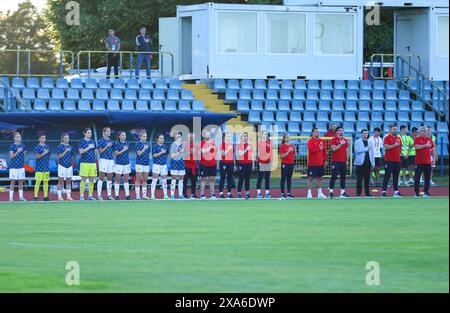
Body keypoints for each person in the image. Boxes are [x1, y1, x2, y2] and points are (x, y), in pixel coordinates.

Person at [414, 126, 436, 197]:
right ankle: (417, 193)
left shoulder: (429, 139)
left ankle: (426, 192)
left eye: (426, 131)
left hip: (427, 162)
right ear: (420, 132)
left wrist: (434, 158)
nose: (425, 132)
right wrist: (425, 145)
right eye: (423, 131)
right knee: (417, 178)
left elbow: (433, 148)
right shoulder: (417, 139)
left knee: (427, 178)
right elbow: (417, 147)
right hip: (419, 162)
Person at [328, 126, 350, 198]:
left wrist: (347, 159)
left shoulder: (345, 140)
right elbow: (333, 149)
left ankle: (342, 192)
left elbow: (347, 150)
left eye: (342, 130)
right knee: (333, 176)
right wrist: (340, 144)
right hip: (336, 161)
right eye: (340, 130)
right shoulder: (333, 139)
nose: (341, 132)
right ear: (337, 132)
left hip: (343, 161)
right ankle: (331, 191)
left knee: (343, 177)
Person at [382, 124, 403, 198]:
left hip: (397, 160)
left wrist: (400, 153)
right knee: (387, 176)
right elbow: (386, 147)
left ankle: (396, 192)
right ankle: (384, 191)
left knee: (396, 176)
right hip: (389, 160)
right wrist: (395, 145)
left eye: (396, 129)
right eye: (394, 129)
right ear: (390, 130)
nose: (395, 131)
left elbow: (400, 147)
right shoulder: (387, 138)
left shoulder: (398, 138)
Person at [307, 128, 328, 199]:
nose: (318, 133)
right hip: (312, 163)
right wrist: (319, 148)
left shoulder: (322, 141)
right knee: (311, 179)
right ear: (312, 133)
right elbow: (311, 150)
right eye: (316, 132)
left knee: (320, 178)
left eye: (318, 132)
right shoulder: (310, 141)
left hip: (320, 163)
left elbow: (324, 151)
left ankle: (320, 193)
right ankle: (309, 193)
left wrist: (325, 160)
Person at [78, 128, 97, 201]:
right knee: (83, 179)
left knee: (92, 180)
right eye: (88, 133)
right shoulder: (81, 142)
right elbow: (81, 152)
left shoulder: (93, 141)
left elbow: (95, 152)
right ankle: (81, 196)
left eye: (90, 132)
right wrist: (89, 147)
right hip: (84, 163)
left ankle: (90, 196)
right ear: (84, 133)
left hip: (92, 163)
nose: (90, 134)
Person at [354, 129, 374, 197]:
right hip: (360, 163)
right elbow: (357, 150)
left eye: (367, 133)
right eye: (364, 133)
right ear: (361, 134)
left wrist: (373, 163)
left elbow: (372, 153)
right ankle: (358, 193)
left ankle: (367, 193)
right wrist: (365, 149)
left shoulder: (370, 142)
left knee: (367, 179)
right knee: (359, 179)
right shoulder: (357, 141)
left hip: (368, 163)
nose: (366, 135)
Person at [97, 127, 115, 201]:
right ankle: (99, 195)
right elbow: (100, 151)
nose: (109, 132)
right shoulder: (100, 140)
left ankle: (109, 195)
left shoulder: (111, 141)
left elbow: (114, 151)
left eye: (109, 131)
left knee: (110, 178)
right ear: (103, 132)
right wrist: (107, 146)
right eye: (107, 131)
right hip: (103, 160)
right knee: (101, 178)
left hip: (110, 160)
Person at [9, 132, 27, 202]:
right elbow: (11, 156)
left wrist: (22, 152)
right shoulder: (12, 146)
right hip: (14, 167)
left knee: (21, 182)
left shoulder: (23, 146)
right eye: (17, 137)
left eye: (19, 137)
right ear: (14, 138)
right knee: (12, 182)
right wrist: (18, 151)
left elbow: (24, 154)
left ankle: (21, 197)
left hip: (21, 167)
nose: (18, 138)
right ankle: (10, 198)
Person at [199, 130, 217, 200]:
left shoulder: (213, 143)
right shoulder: (202, 143)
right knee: (203, 179)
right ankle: (202, 195)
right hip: (204, 164)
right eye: (207, 135)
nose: (208, 136)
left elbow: (215, 152)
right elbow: (203, 151)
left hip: (212, 164)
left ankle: (212, 194)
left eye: (209, 135)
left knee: (212, 179)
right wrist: (210, 148)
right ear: (204, 136)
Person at [114, 131, 131, 200]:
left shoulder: (127, 143)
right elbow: (116, 154)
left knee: (126, 179)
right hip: (119, 163)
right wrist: (123, 150)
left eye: (125, 135)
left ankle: (127, 195)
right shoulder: (116, 144)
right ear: (119, 136)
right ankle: (117, 195)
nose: (124, 136)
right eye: (123, 135)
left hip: (126, 163)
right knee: (117, 179)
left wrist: (124, 150)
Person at [57, 133, 74, 201]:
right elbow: (59, 156)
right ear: (63, 139)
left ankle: (68, 196)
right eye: (66, 138)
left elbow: (71, 156)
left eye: (68, 138)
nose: (67, 139)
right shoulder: (60, 147)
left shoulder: (71, 147)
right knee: (60, 181)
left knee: (69, 181)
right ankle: (59, 196)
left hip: (69, 166)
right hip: (62, 165)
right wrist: (65, 151)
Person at [236, 132, 254, 200]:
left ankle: (247, 193)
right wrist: (247, 149)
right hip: (241, 163)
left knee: (247, 179)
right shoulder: (239, 145)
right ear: (241, 138)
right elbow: (240, 154)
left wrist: (253, 163)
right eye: (244, 136)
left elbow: (252, 154)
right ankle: (239, 193)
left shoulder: (250, 145)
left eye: (246, 136)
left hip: (249, 163)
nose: (245, 137)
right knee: (241, 178)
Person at [151, 134, 169, 200]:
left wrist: (164, 159)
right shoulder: (155, 146)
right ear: (157, 139)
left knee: (164, 181)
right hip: (156, 165)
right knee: (154, 180)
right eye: (161, 138)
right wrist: (161, 152)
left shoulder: (165, 146)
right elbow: (154, 155)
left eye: (163, 138)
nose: (162, 139)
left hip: (163, 165)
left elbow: (167, 154)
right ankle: (152, 195)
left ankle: (165, 195)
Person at [256, 130, 273, 199]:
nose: (266, 135)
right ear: (262, 135)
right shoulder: (260, 142)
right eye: (265, 134)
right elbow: (259, 153)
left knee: (267, 178)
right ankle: (258, 193)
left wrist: (271, 160)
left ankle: (267, 193)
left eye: (266, 134)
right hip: (261, 162)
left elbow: (270, 152)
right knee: (260, 178)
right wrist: (259, 162)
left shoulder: (269, 142)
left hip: (267, 162)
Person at [34, 134, 50, 201]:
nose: (44, 139)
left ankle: (45, 197)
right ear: (39, 139)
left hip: (46, 168)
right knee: (38, 182)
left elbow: (48, 157)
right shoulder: (37, 147)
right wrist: (44, 153)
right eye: (42, 138)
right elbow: (37, 157)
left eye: (44, 138)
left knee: (46, 182)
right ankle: (35, 197)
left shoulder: (47, 147)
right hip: (39, 168)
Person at [135, 131, 150, 200]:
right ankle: (137, 195)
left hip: (146, 164)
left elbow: (148, 155)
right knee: (138, 180)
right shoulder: (137, 144)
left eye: (146, 136)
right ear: (140, 137)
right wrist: (144, 148)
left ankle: (144, 195)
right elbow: (139, 154)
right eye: (143, 136)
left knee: (145, 180)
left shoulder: (148, 144)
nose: (145, 138)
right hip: (139, 164)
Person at [218, 132, 235, 199]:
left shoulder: (231, 144)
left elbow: (233, 155)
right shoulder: (222, 144)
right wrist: (228, 148)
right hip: (224, 163)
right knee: (222, 178)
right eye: (228, 136)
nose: (229, 137)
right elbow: (223, 154)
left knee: (230, 178)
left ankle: (229, 193)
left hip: (231, 163)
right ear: (224, 137)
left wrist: (234, 163)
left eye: (229, 136)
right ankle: (221, 193)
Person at [170, 132, 186, 200]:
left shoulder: (183, 145)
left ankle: (180, 194)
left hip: (181, 164)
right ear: (175, 137)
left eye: (180, 136)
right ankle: (172, 195)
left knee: (181, 180)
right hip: (174, 164)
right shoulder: (173, 145)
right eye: (177, 136)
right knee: (173, 180)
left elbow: (185, 155)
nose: (179, 137)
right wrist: (179, 152)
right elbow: (172, 156)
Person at [183, 133, 199, 199]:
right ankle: (184, 193)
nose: (191, 138)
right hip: (187, 166)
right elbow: (183, 155)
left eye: (192, 137)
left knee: (194, 181)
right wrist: (190, 152)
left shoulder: (196, 145)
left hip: (194, 166)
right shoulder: (185, 145)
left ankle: (193, 193)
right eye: (190, 137)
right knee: (185, 181)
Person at [279, 133, 296, 199]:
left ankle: (289, 193)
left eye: (289, 137)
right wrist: (288, 151)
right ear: (284, 139)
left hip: (291, 164)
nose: (288, 138)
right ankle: (282, 193)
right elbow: (281, 156)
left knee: (289, 178)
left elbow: (294, 154)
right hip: (285, 164)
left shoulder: (292, 146)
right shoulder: (282, 146)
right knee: (283, 178)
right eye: (286, 137)